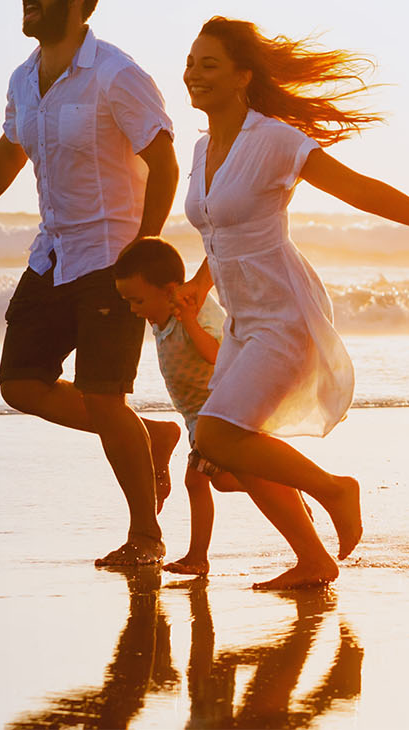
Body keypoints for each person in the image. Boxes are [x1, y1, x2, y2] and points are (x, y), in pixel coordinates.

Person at [179, 15, 409, 588]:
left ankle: (335, 490)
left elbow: (358, 189)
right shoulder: (204, 146)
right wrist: (201, 284)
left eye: (209, 64)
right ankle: (313, 560)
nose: (193, 74)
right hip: (242, 321)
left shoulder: (272, 139)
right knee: (227, 456)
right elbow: (218, 229)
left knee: (216, 436)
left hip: (284, 317)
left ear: (241, 75)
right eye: (191, 62)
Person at [0, 0, 181, 567]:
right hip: (53, 253)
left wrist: (146, 245)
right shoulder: (24, 77)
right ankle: (150, 436)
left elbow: (163, 159)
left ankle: (146, 538)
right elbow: (11, 147)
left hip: (112, 256)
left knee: (105, 399)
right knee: (20, 383)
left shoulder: (115, 73)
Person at [109, 235, 253, 577]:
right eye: (128, 301)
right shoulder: (159, 315)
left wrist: (189, 321)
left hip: (222, 413)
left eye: (137, 300)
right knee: (213, 481)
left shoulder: (196, 310)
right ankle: (199, 556)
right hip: (196, 418)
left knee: (210, 481)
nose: (133, 309)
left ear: (171, 290)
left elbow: (219, 357)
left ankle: (285, 484)